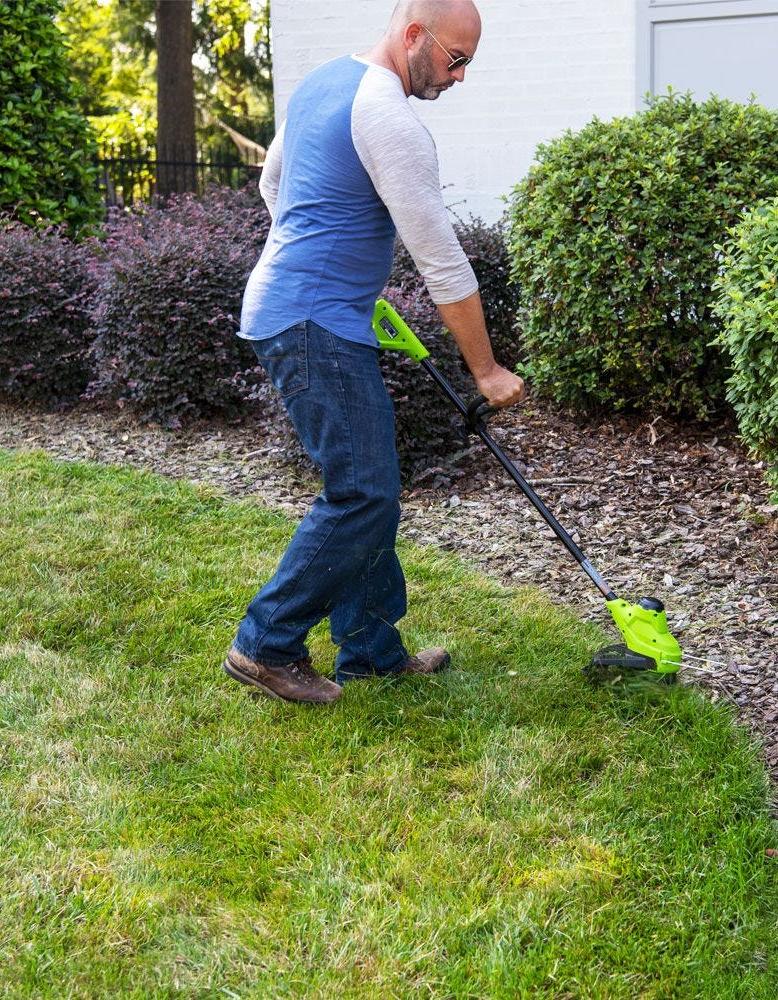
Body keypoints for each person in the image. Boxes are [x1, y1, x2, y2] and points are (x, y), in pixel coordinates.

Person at [225, 0, 523, 705]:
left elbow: (273, 185)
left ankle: (370, 652)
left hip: (301, 311)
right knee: (363, 492)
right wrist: (486, 370)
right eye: (455, 59)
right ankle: (265, 644)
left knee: (370, 487)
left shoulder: (325, 81)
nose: (459, 76)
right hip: (311, 319)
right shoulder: (389, 118)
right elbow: (441, 260)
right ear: (414, 34)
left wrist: (325, 258)